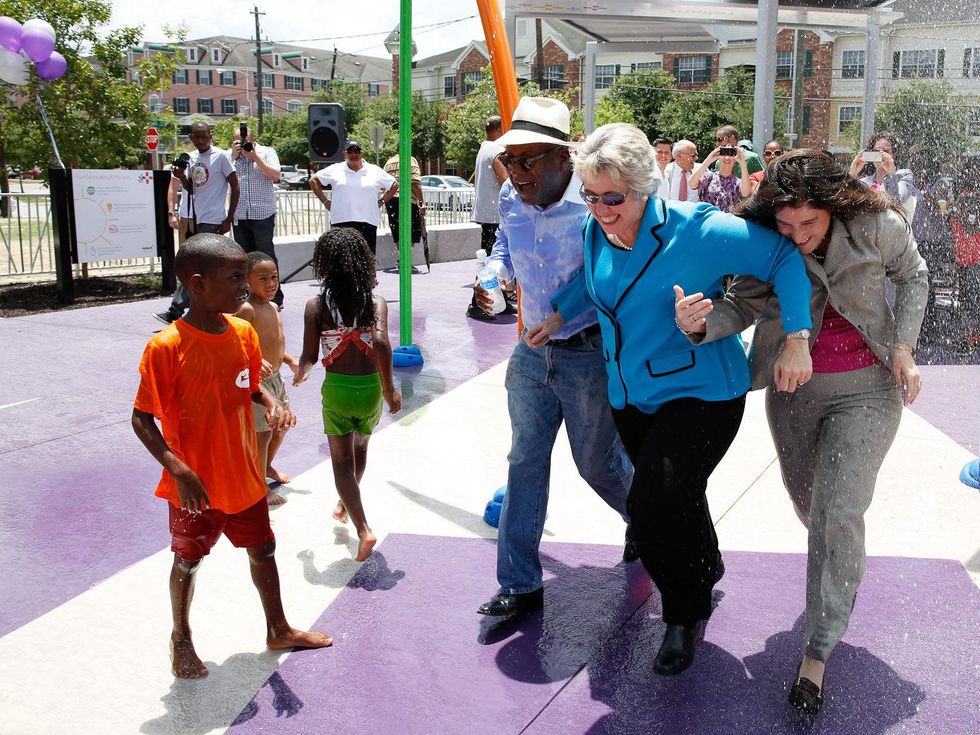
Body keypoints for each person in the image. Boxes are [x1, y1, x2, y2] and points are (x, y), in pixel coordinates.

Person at [526, 123, 813, 676]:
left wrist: (796, 339)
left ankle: (684, 610)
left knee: (653, 506)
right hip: (630, 394)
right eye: (590, 195)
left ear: (645, 187)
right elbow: (593, 284)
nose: (601, 208)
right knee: (678, 494)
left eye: (613, 197)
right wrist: (560, 314)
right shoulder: (595, 229)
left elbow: (783, 258)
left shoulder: (697, 228)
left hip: (703, 392)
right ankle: (706, 566)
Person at [676, 150, 927, 713]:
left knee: (838, 513)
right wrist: (703, 323)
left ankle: (817, 650)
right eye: (785, 226)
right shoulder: (765, 238)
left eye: (808, 224)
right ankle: (838, 556)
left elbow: (914, 275)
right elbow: (741, 302)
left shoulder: (876, 225)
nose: (797, 236)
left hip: (868, 388)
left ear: (834, 206)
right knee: (812, 506)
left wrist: (905, 351)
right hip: (792, 393)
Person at [132, 233, 332, 679]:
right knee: (187, 560)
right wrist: (179, 469)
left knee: (263, 548)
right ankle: (180, 639)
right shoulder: (166, 347)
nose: (245, 285)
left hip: (243, 476)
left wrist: (271, 402)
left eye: (246, 275)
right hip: (196, 486)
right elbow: (142, 420)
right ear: (198, 284)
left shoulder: (242, 332)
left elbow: (248, 385)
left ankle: (277, 627)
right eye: (235, 277)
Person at [472, 97, 635, 618]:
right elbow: (504, 245)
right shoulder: (508, 196)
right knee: (524, 461)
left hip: (586, 352)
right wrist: (494, 275)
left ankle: (657, 525)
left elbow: (611, 271)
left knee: (598, 466)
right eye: (508, 159)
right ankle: (519, 583)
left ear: (563, 158)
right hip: (530, 355)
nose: (515, 171)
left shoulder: (595, 202)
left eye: (528, 160)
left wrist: (562, 314)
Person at [293, 228, 402, 562]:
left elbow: (309, 355)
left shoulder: (316, 306)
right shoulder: (375, 302)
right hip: (369, 390)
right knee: (361, 447)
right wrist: (389, 390)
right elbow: (381, 343)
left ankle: (363, 528)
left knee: (341, 463)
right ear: (364, 264)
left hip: (338, 391)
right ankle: (345, 502)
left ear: (324, 265)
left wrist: (303, 372)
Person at [154, 122, 239, 325]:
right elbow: (192, 189)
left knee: (197, 264)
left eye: (204, 136)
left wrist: (229, 218)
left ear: (211, 135)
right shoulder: (190, 158)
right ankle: (200, 309)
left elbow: (235, 186)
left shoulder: (221, 156)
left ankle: (175, 309)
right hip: (191, 217)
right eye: (196, 137)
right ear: (190, 137)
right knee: (191, 264)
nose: (200, 140)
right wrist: (182, 177)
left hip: (213, 219)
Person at [235, 251, 298, 505]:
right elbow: (235, 340)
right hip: (259, 382)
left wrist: (290, 360)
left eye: (274, 277)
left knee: (281, 426)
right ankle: (258, 484)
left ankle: (267, 465)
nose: (271, 283)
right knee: (262, 433)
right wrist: (251, 360)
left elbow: (275, 343)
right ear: (247, 281)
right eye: (263, 278)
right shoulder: (246, 309)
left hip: (276, 378)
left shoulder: (272, 306)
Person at [310, 140, 398, 255]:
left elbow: (394, 184)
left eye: (356, 151)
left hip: (367, 222)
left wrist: (382, 201)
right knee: (340, 263)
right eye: (350, 151)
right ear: (344, 154)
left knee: (366, 261)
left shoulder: (374, 170)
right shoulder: (335, 169)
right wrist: (326, 202)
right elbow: (313, 181)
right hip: (341, 223)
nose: (353, 154)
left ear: (361, 153)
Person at [231, 123, 284, 308]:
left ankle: (276, 296)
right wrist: (233, 156)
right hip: (239, 213)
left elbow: (276, 175)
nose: (241, 144)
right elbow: (223, 178)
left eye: (244, 140)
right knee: (244, 257)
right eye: (237, 141)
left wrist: (254, 157)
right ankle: (250, 294)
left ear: (253, 139)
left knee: (266, 254)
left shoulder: (267, 152)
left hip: (263, 212)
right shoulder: (231, 157)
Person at [467, 115, 510, 321]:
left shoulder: (484, 147)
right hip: (496, 215)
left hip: (487, 213)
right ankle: (477, 305)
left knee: (489, 258)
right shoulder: (496, 150)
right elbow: (505, 179)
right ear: (500, 129)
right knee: (491, 261)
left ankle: (499, 301)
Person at [848, 132, 917, 219]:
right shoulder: (863, 182)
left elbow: (895, 201)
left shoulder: (904, 175)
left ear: (894, 154)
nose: (880, 156)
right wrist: (852, 174)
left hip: (892, 230)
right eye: (876, 152)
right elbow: (848, 204)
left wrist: (890, 174)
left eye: (885, 151)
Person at [383, 151, 426, 273]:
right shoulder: (410, 160)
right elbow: (415, 183)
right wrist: (422, 202)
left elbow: (384, 184)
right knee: (412, 230)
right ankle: (405, 261)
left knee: (397, 229)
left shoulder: (389, 162)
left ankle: (401, 259)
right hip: (407, 199)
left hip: (390, 199)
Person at [687, 143, 753, 212]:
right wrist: (709, 160)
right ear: (719, 155)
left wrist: (743, 163)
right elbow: (691, 184)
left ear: (735, 158)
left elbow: (746, 193)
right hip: (709, 220)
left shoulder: (738, 182)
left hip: (728, 221)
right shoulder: (709, 177)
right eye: (724, 153)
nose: (727, 157)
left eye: (731, 154)